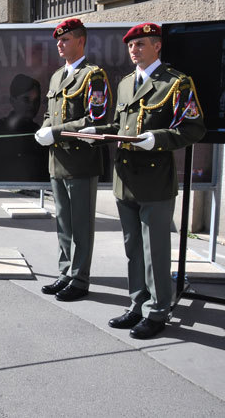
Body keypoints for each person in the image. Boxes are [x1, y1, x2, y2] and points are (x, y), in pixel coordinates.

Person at [81, 23, 205, 339]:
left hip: (155, 181)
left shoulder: (176, 84)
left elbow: (193, 129)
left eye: (141, 45)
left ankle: (158, 310)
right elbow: (119, 123)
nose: (134, 51)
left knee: (155, 250)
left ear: (157, 47)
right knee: (133, 248)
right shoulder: (125, 84)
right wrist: (98, 131)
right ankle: (138, 304)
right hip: (125, 180)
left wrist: (156, 139)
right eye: (131, 46)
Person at [34, 18, 111, 302]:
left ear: (81, 41)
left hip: (81, 163)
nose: (60, 44)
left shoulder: (94, 76)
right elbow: (50, 113)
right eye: (58, 40)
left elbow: (97, 118)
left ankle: (80, 279)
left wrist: (54, 132)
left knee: (81, 225)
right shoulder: (56, 77)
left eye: (65, 40)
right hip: (57, 162)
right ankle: (65, 272)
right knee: (64, 223)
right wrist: (44, 128)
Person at [0, 73, 49, 182]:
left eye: (36, 101)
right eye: (26, 100)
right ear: (12, 101)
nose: (32, 106)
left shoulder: (40, 133)